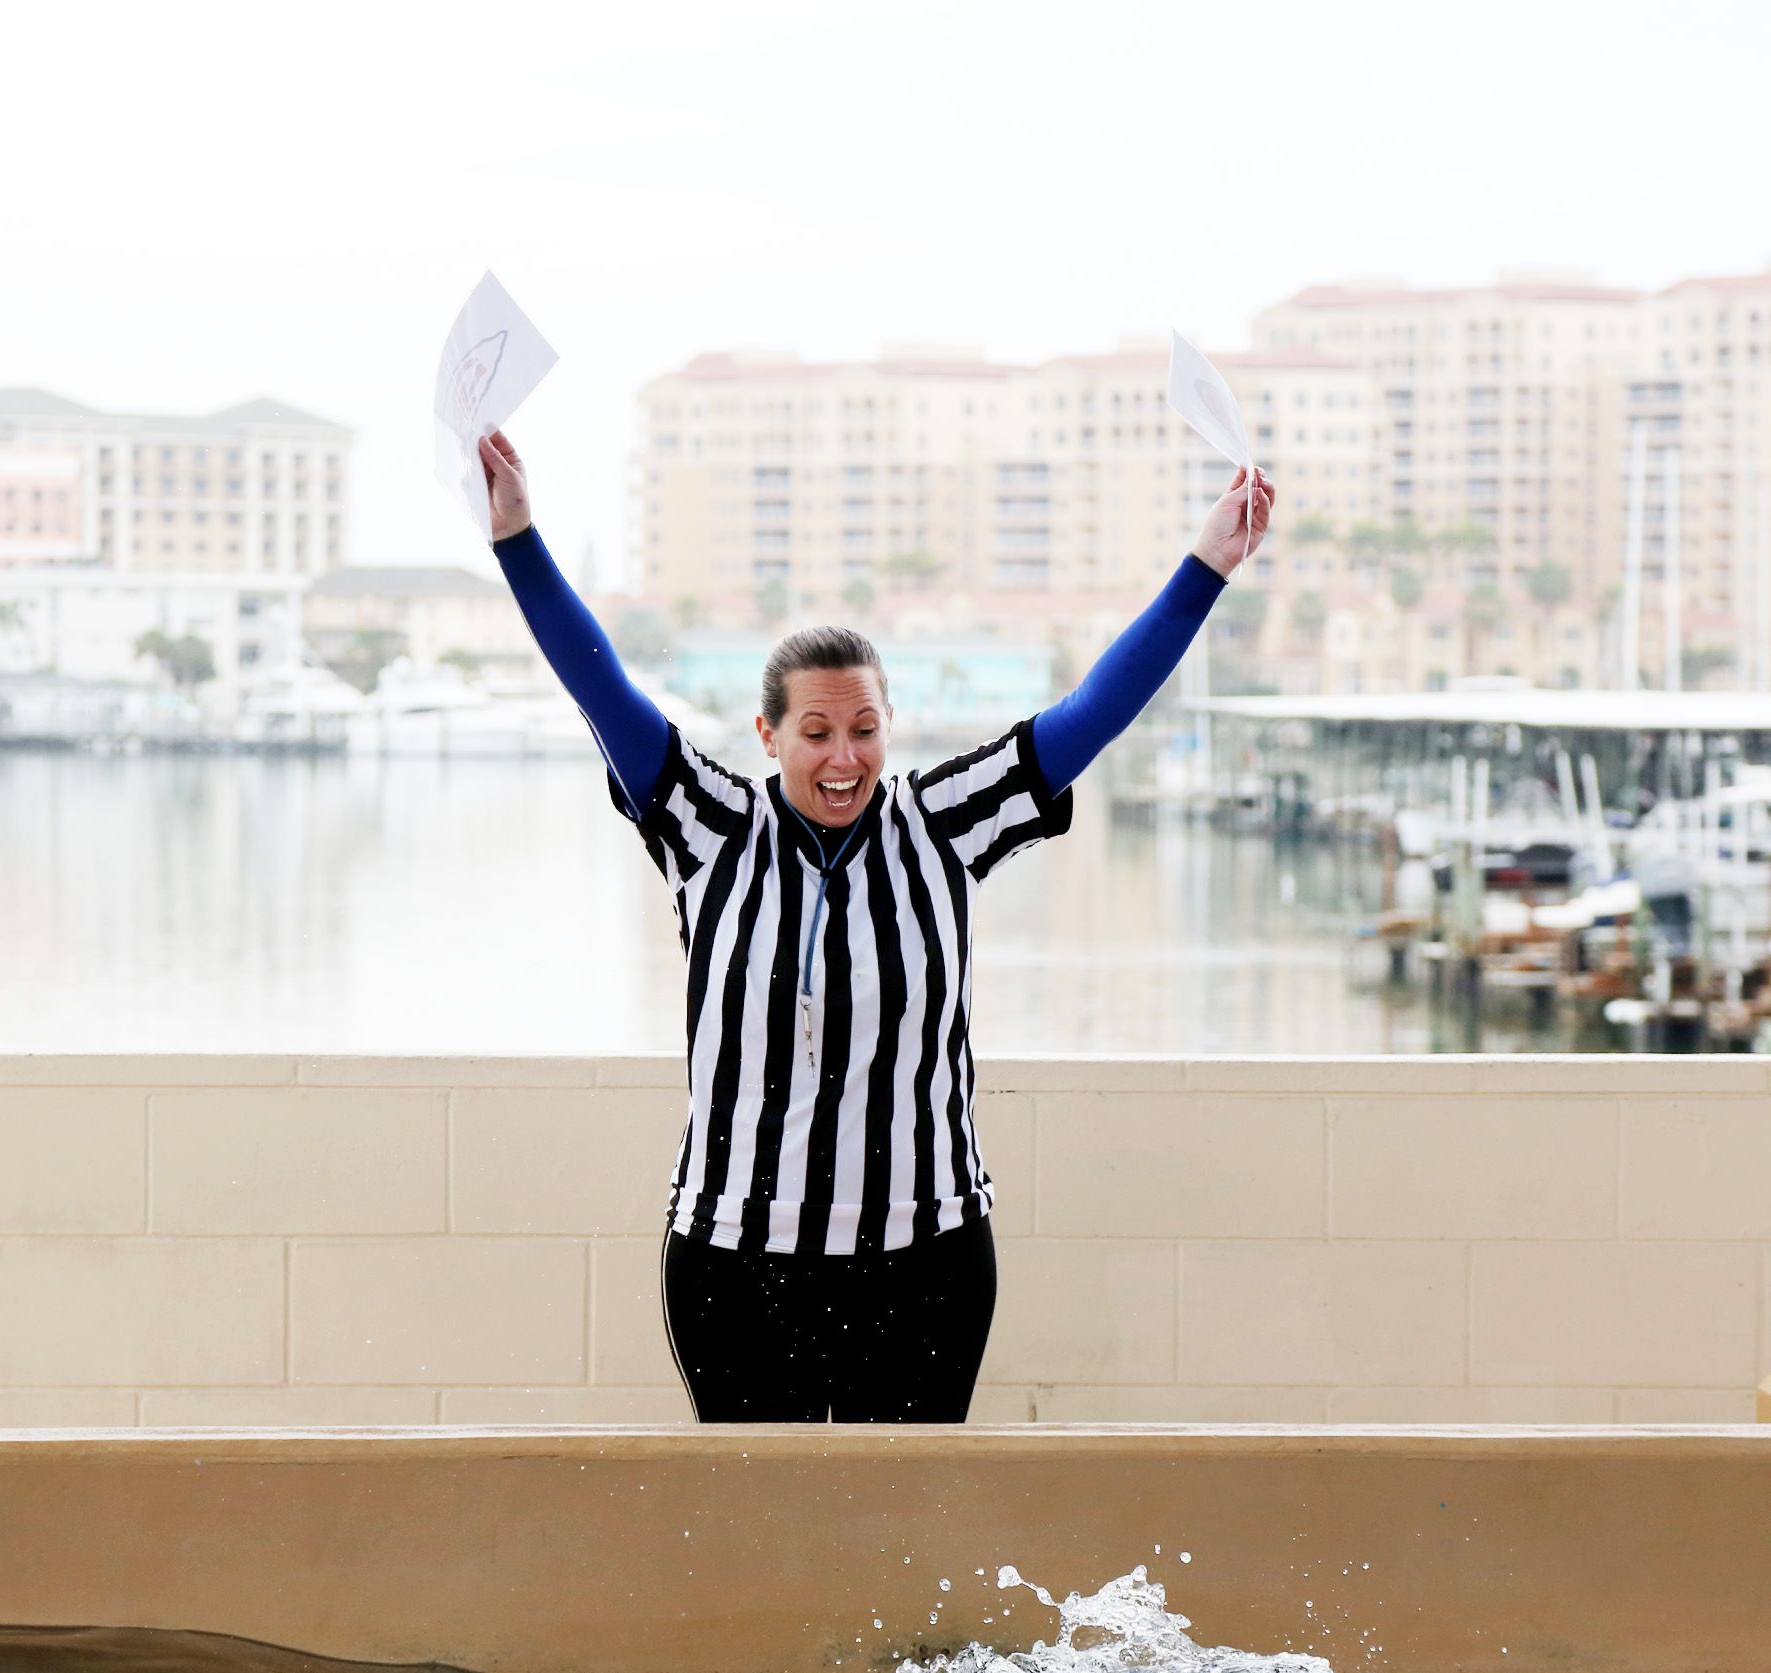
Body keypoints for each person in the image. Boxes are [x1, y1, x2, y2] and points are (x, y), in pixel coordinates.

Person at [480, 428, 1271, 1423]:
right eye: (815, 733)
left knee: (908, 1551)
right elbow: (601, 686)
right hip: (735, 1262)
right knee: (764, 1544)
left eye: (864, 728)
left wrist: (1206, 566)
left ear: (889, 727)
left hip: (925, 1263)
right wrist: (517, 535)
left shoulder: (946, 821)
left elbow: (1095, 711)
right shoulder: (709, 825)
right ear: (768, 736)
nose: (843, 756)